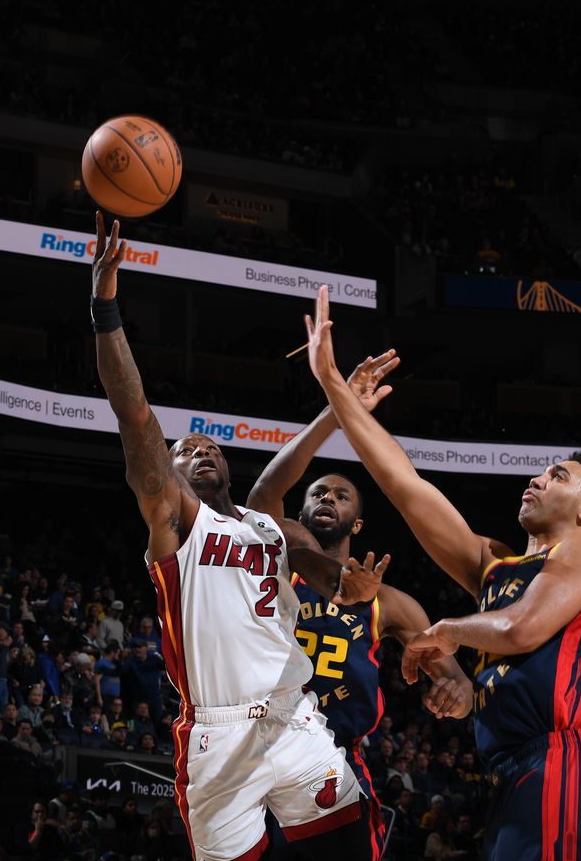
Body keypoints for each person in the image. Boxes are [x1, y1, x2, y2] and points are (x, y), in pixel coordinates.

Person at [302, 285, 581, 861]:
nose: (537, 479)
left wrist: (444, 632)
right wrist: (336, 391)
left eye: (557, 476)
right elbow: (406, 488)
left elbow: (518, 632)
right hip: (512, 771)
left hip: (565, 763)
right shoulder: (498, 566)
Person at [90, 212, 385, 861]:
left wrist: (345, 583)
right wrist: (106, 310)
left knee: (354, 846)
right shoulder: (176, 526)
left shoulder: (265, 523)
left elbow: (312, 557)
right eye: (182, 449)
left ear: (224, 465)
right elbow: (133, 410)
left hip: (294, 718)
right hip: (219, 736)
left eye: (207, 445)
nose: (197, 450)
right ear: (165, 474)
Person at [244, 353, 474, 861]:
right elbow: (263, 495)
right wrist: (336, 404)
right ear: (299, 512)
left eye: (341, 494)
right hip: (258, 746)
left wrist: (457, 694)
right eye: (318, 492)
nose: (328, 497)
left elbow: (455, 679)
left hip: (334, 756)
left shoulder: (391, 603)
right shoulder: (277, 561)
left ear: (358, 523)